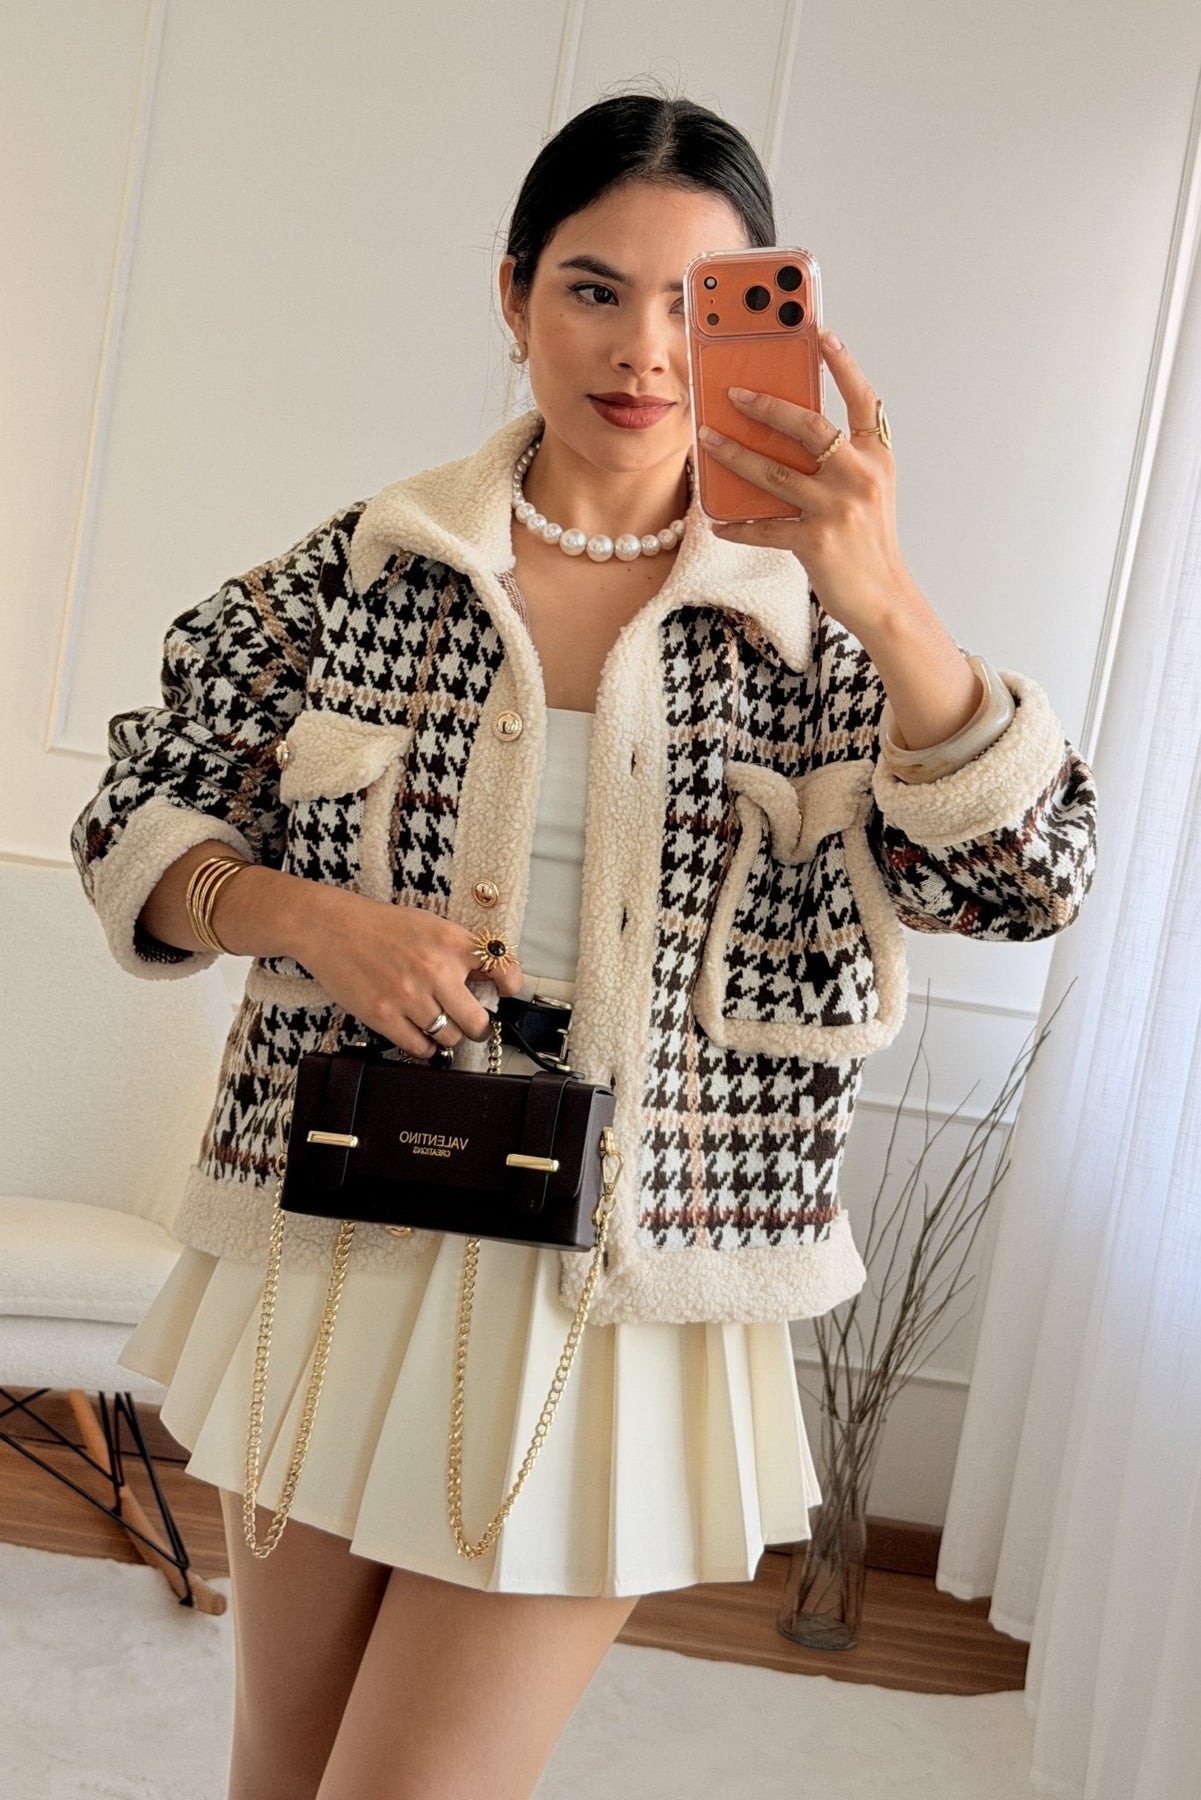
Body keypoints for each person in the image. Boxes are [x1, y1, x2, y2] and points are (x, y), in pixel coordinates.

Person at [71, 91, 1096, 1800]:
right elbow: (135, 812)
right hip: (342, 1237)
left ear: (769, 328)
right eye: (592, 289)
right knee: (279, 1777)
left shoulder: (817, 627)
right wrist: (308, 918)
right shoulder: (369, 568)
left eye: (697, 305)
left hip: (623, 1290)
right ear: (513, 296)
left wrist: (882, 589)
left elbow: (1028, 880)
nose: (642, 352)